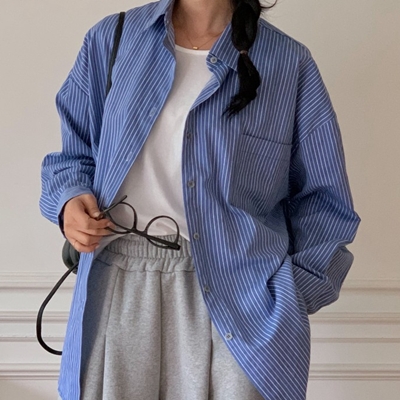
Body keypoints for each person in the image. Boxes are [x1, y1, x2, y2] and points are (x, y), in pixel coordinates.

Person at [40, 0, 361, 399]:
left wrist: (290, 297)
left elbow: (325, 202)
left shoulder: (287, 63)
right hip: (119, 287)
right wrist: (70, 200)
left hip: (243, 300)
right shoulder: (113, 40)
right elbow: (72, 155)